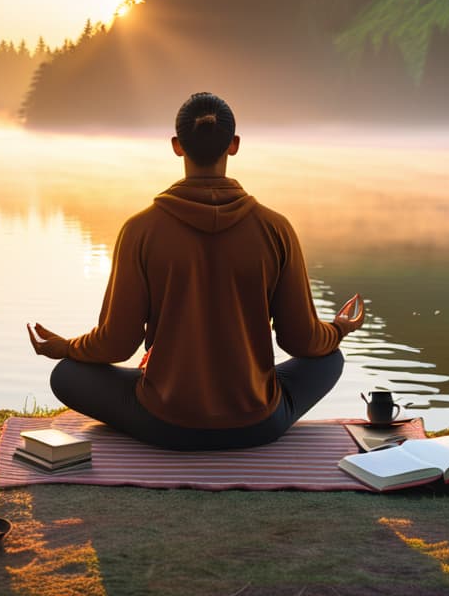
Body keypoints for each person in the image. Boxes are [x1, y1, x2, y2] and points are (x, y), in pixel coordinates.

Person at [27, 92, 365, 450]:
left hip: (165, 424)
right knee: (330, 359)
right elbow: (301, 341)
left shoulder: (141, 229)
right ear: (233, 146)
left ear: (177, 146)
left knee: (67, 374)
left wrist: (68, 346)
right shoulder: (275, 228)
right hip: (257, 423)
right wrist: (339, 328)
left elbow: (117, 343)